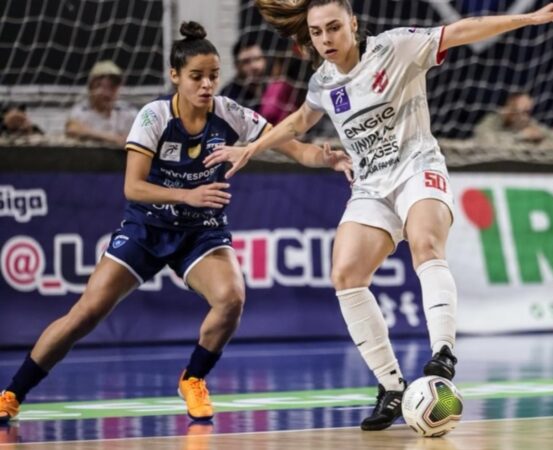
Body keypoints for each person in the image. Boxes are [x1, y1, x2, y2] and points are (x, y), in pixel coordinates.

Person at [205, 0, 553, 431]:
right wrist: (251, 148)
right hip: (371, 186)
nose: (326, 39)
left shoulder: (396, 48)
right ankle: (391, 386)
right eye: (318, 32)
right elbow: (300, 120)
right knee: (345, 274)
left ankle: (443, 353)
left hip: (417, 166)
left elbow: (464, 30)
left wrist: (525, 18)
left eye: (334, 28)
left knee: (425, 244)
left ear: (353, 25)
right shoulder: (323, 80)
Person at [0, 21, 351, 424]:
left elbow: (292, 147)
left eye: (213, 76)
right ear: (175, 77)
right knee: (86, 313)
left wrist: (325, 158)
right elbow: (133, 187)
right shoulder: (153, 117)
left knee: (232, 298)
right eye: (196, 77)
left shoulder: (230, 113)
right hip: (147, 228)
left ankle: (193, 377)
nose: (206, 85)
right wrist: (189, 195)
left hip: (200, 233)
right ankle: (12, 392)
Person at [65, 60, 138, 147]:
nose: (107, 93)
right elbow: (73, 128)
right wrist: (112, 138)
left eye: (112, 87)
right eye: (100, 86)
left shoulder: (128, 111)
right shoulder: (82, 110)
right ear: (91, 88)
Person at [473, 91, 553, 149]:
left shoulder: (530, 123)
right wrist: (520, 137)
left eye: (529, 112)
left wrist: (541, 139)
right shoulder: (491, 122)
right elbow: (486, 144)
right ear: (509, 109)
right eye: (523, 112)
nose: (526, 117)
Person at [219, 37, 268, 112]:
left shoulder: (274, 87)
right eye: (246, 62)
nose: (254, 66)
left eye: (258, 59)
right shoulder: (228, 97)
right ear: (236, 65)